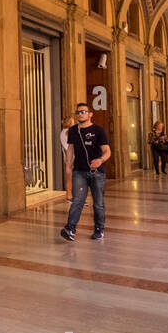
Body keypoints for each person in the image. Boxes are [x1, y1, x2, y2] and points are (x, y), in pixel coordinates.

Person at [60, 103, 110, 242]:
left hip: (97, 172)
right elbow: (70, 149)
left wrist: (100, 160)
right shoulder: (73, 131)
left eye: (83, 111)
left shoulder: (99, 131)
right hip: (79, 172)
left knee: (98, 203)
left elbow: (107, 151)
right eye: (78, 112)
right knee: (77, 200)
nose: (80, 114)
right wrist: (68, 166)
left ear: (90, 114)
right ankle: (70, 229)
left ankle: (99, 229)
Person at [59, 113, 76, 201]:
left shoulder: (62, 132)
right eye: (73, 121)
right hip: (72, 156)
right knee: (74, 177)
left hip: (67, 156)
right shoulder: (69, 131)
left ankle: (69, 195)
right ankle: (71, 196)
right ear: (70, 123)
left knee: (69, 177)